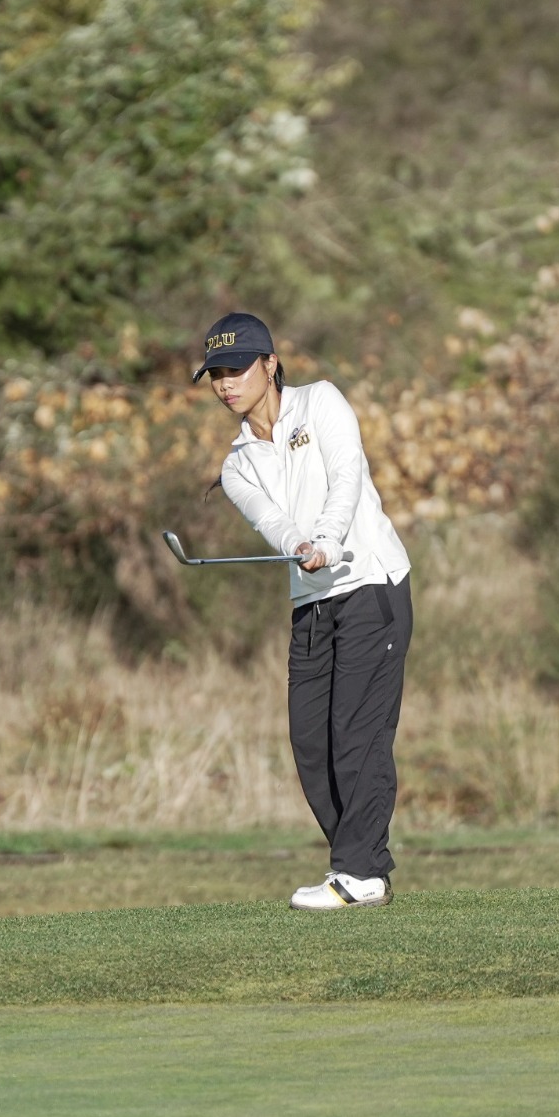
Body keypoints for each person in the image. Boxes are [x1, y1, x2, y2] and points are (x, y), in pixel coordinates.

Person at [195, 312, 413, 910]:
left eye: (237, 369)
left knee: (357, 733)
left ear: (270, 365)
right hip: (313, 602)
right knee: (311, 743)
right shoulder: (237, 464)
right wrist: (300, 547)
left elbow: (347, 475)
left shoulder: (322, 403)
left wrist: (329, 537)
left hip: (370, 581)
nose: (226, 383)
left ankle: (359, 872)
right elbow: (273, 521)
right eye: (216, 374)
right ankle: (364, 867)